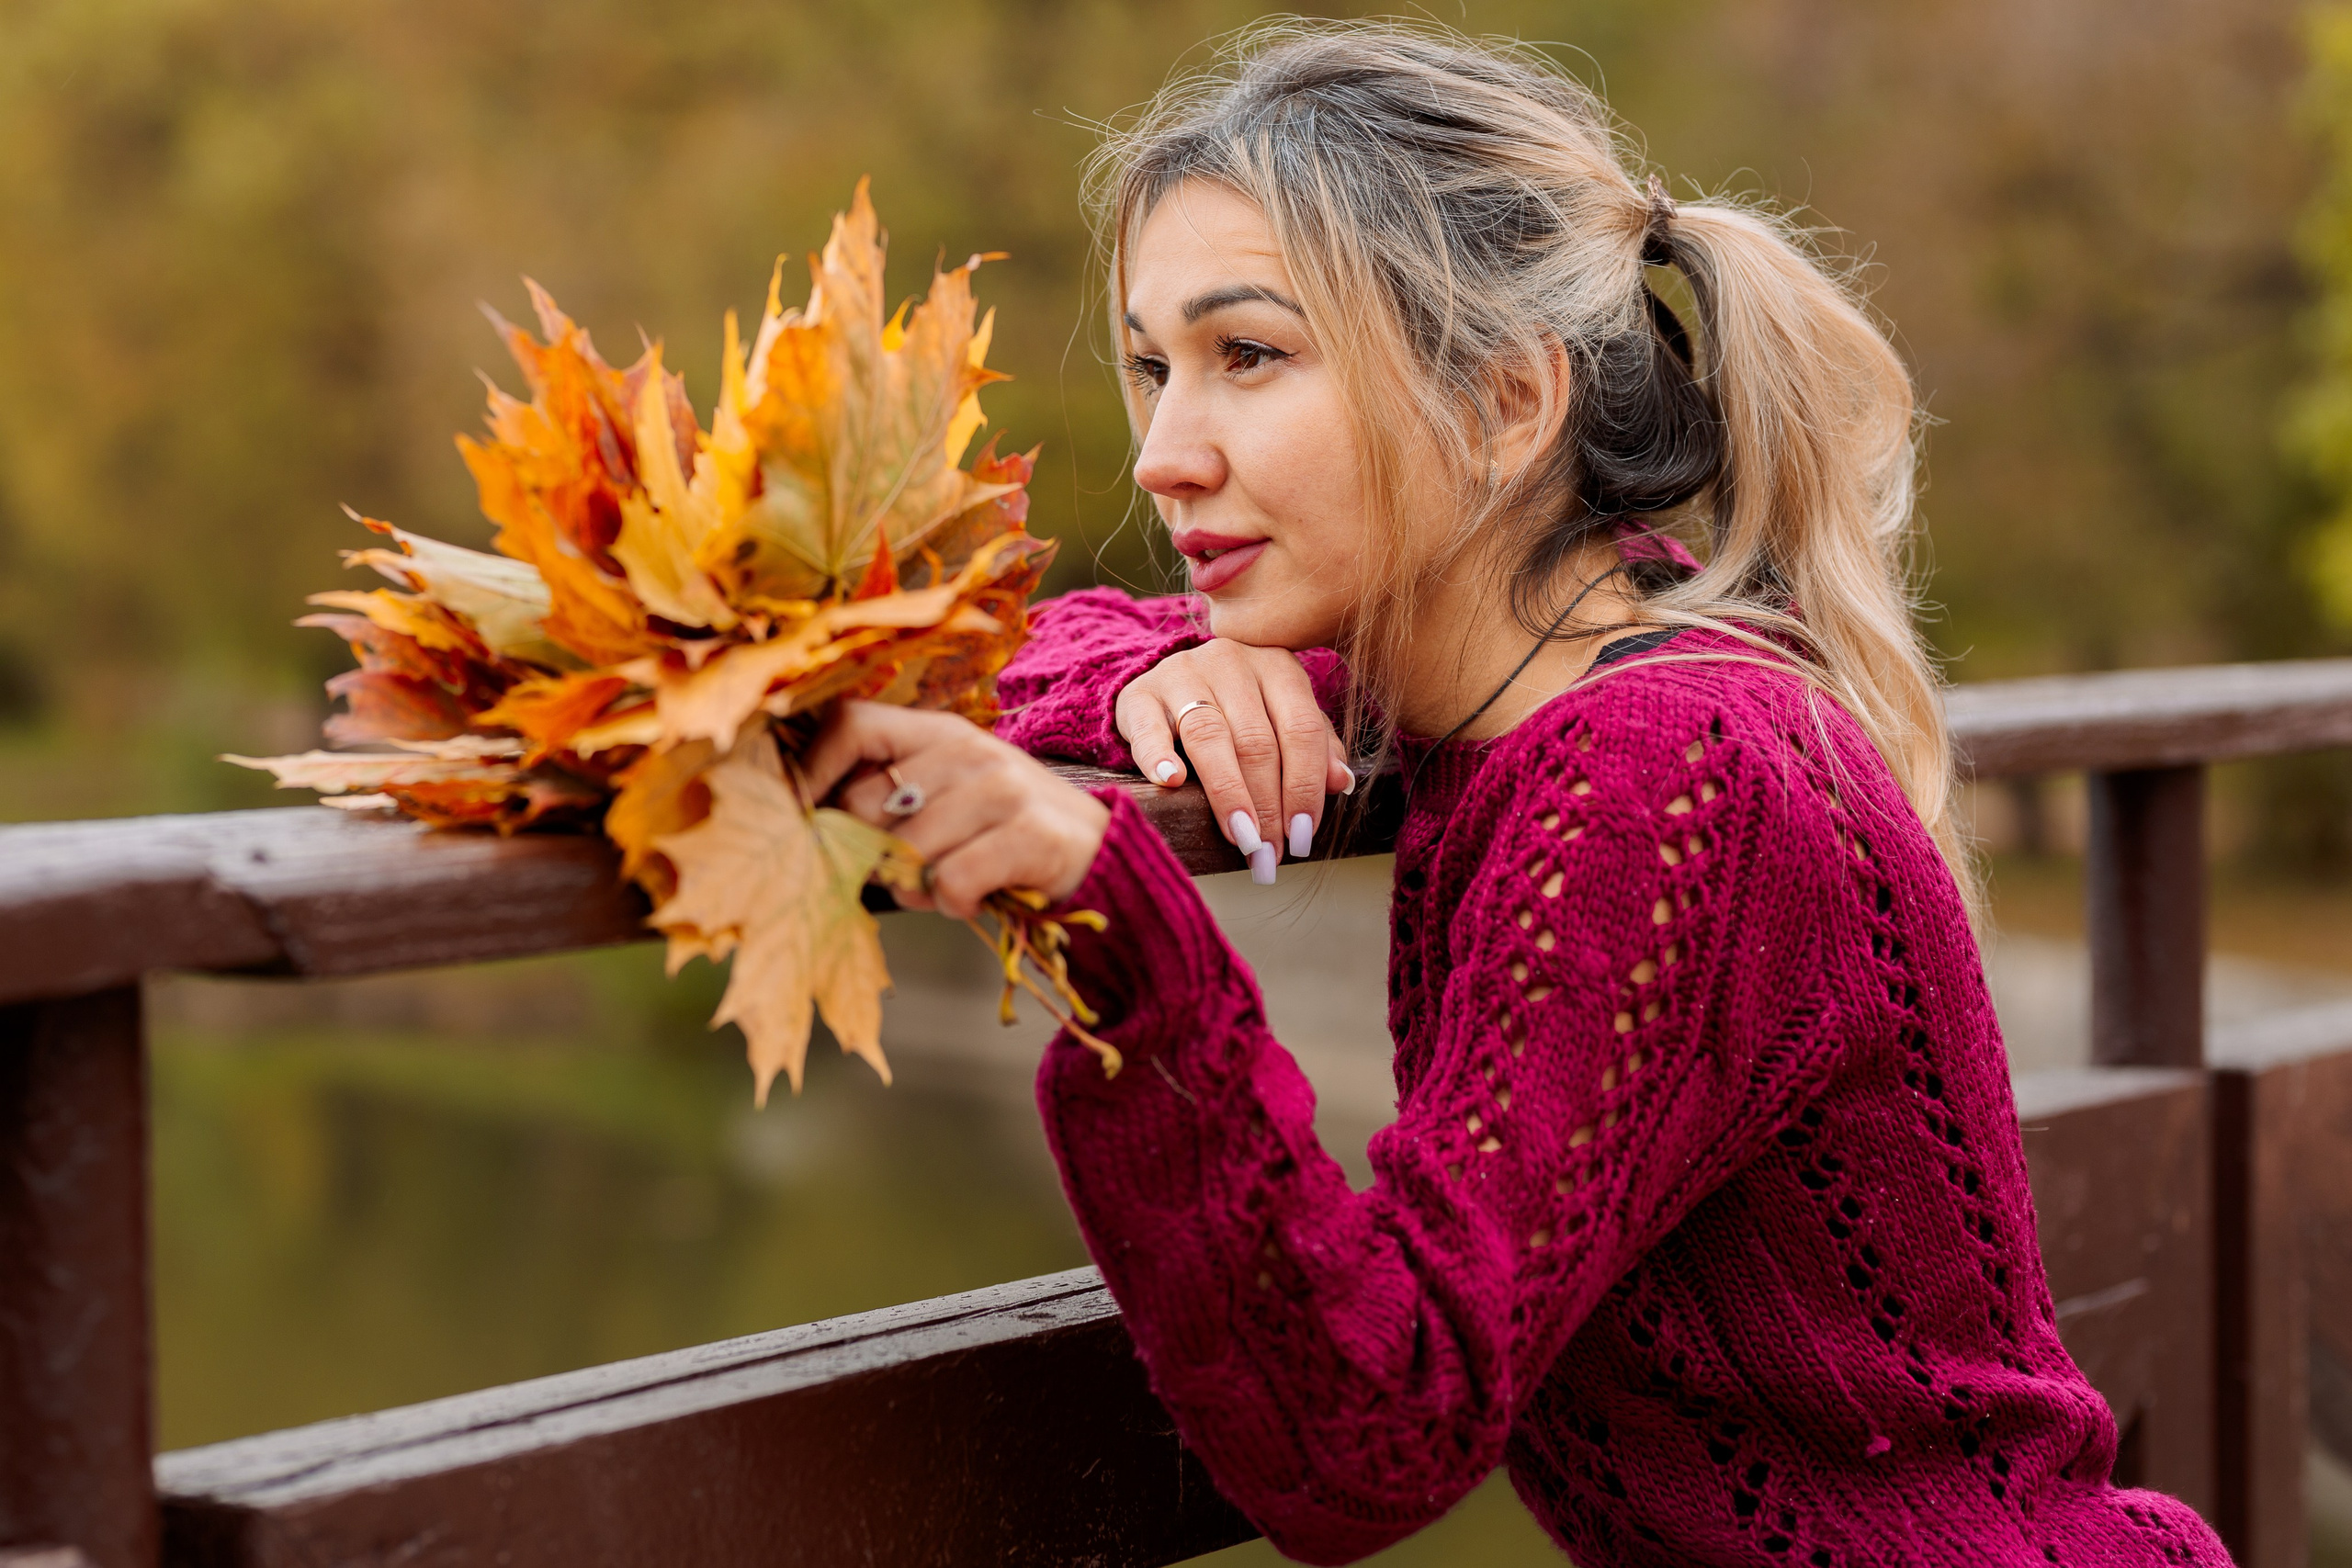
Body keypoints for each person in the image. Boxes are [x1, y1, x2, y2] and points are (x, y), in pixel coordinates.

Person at [801, 20, 2230, 1566]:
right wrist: (1148, 682)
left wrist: (1122, 934)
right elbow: (1003, 648)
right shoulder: (1583, 649)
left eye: (1250, 356)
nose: (1161, 454)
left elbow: (1369, 1431)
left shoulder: (1659, 776)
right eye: (1154, 367)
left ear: (1500, 405)